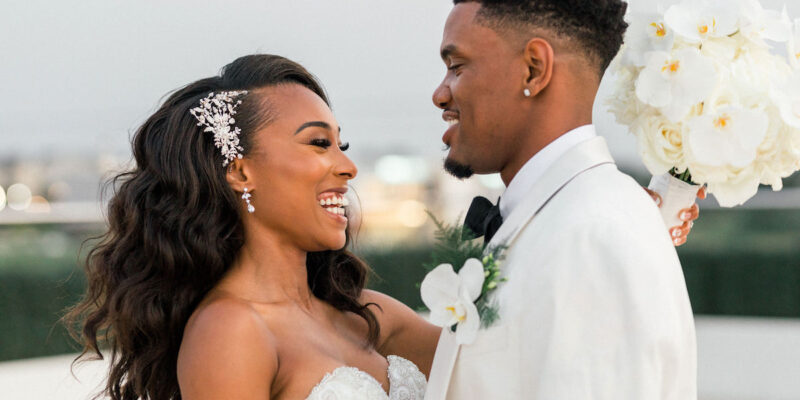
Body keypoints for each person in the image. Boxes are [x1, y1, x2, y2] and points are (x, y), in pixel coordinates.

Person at [66, 54, 440, 400]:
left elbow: (476, 365)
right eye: (319, 143)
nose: (348, 167)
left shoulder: (367, 316)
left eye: (341, 145)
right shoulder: (230, 330)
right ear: (241, 172)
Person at [424, 1, 698, 399]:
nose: (439, 94)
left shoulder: (593, 236)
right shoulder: (565, 217)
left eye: (457, 66)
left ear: (534, 69)